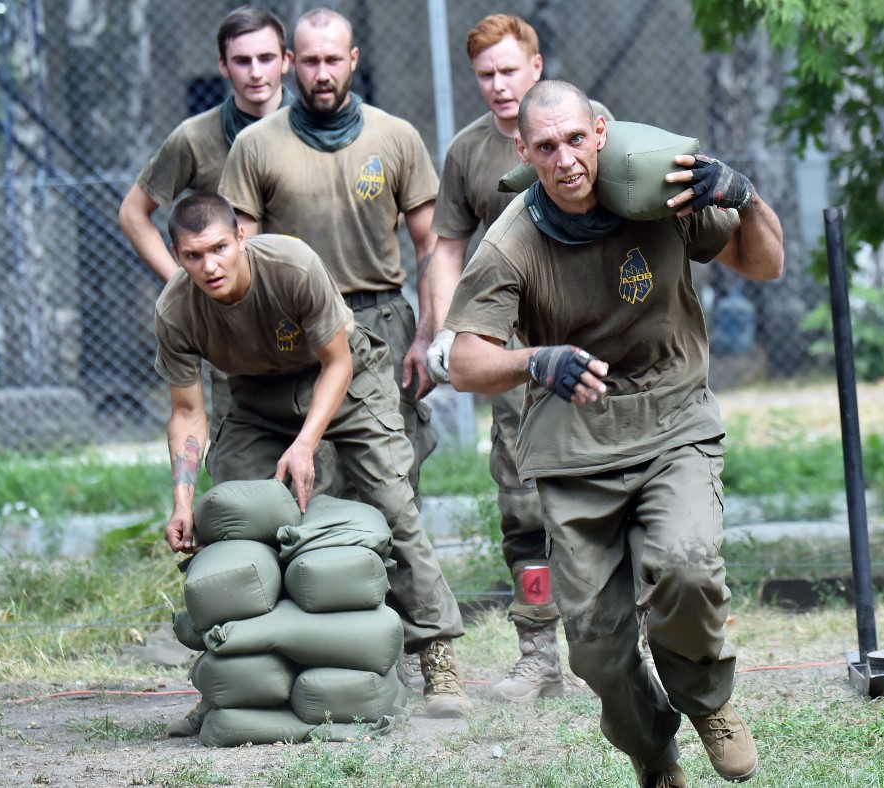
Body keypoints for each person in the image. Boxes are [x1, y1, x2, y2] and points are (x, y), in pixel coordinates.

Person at [445, 80, 784, 786]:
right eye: (546, 147)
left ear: (601, 130)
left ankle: (708, 702)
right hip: (578, 450)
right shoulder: (513, 240)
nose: (565, 159)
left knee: (687, 565)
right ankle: (653, 751)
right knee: (596, 649)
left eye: (575, 139)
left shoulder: (662, 194)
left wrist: (744, 196)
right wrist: (536, 358)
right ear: (523, 150)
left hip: (673, 425)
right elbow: (467, 359)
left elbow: (764, 261)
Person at [154, 193, 472, 724]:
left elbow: (337, 362)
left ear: (240, 238)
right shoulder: (176, 310)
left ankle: (437, 652)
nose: (209, 266)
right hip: (256, 396)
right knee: (231, 521)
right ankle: (234, 681)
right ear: (177, 254)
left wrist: (305, 444)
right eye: (192, 256)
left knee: (393, 504)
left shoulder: (292, 266)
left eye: (218, 249)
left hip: (346, 381)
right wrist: (182, 501)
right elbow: (187, 414)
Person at [425, 13, 615, 703]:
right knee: (523, 505)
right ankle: (539, 656)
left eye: (509, 70)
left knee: (621, 494)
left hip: (600, 346)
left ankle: (640, 649)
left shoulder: (591, 127)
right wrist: (441, 334)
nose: (498, 85)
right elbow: (447, 246)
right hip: (515, 358)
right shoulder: (469, 152)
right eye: (485, 75)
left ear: (536, 66)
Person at [218, 7, 438, 503]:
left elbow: (431, 245)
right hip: (298, 329)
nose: (322, 73)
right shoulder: (255, 145)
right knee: (315, 481)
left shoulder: (396, 136)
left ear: (353, 59)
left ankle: (393, 582)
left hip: (381, 318)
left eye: (333, 60)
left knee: (392, 482)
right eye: (311, 61)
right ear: (292, 62)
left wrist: (426, 335)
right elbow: (241, 257)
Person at [119, 5, 293, 440]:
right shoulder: (194, 138)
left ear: (286, 61)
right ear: (222, 65)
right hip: (235, 320)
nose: (255, 72)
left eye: (266, 58)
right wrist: (184, 281)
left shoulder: (311, 126)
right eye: (242, 60)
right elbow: (133, 213)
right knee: (243, 458)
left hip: (304, 305)